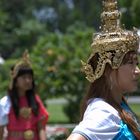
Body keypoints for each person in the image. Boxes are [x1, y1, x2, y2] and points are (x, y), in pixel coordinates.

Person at [67, 0, 140, 140]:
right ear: (108, 70)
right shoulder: (103, 111)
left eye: (136, 63)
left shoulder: (118, 105)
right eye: (130, 63)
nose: (137, 70)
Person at [0, 50, 49, 140]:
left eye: (30, 77)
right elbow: (1, 131)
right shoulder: (5, 103)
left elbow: (41, 127)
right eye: (24, 77)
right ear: (15, 81)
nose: (28, 81)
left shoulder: (35, 100)